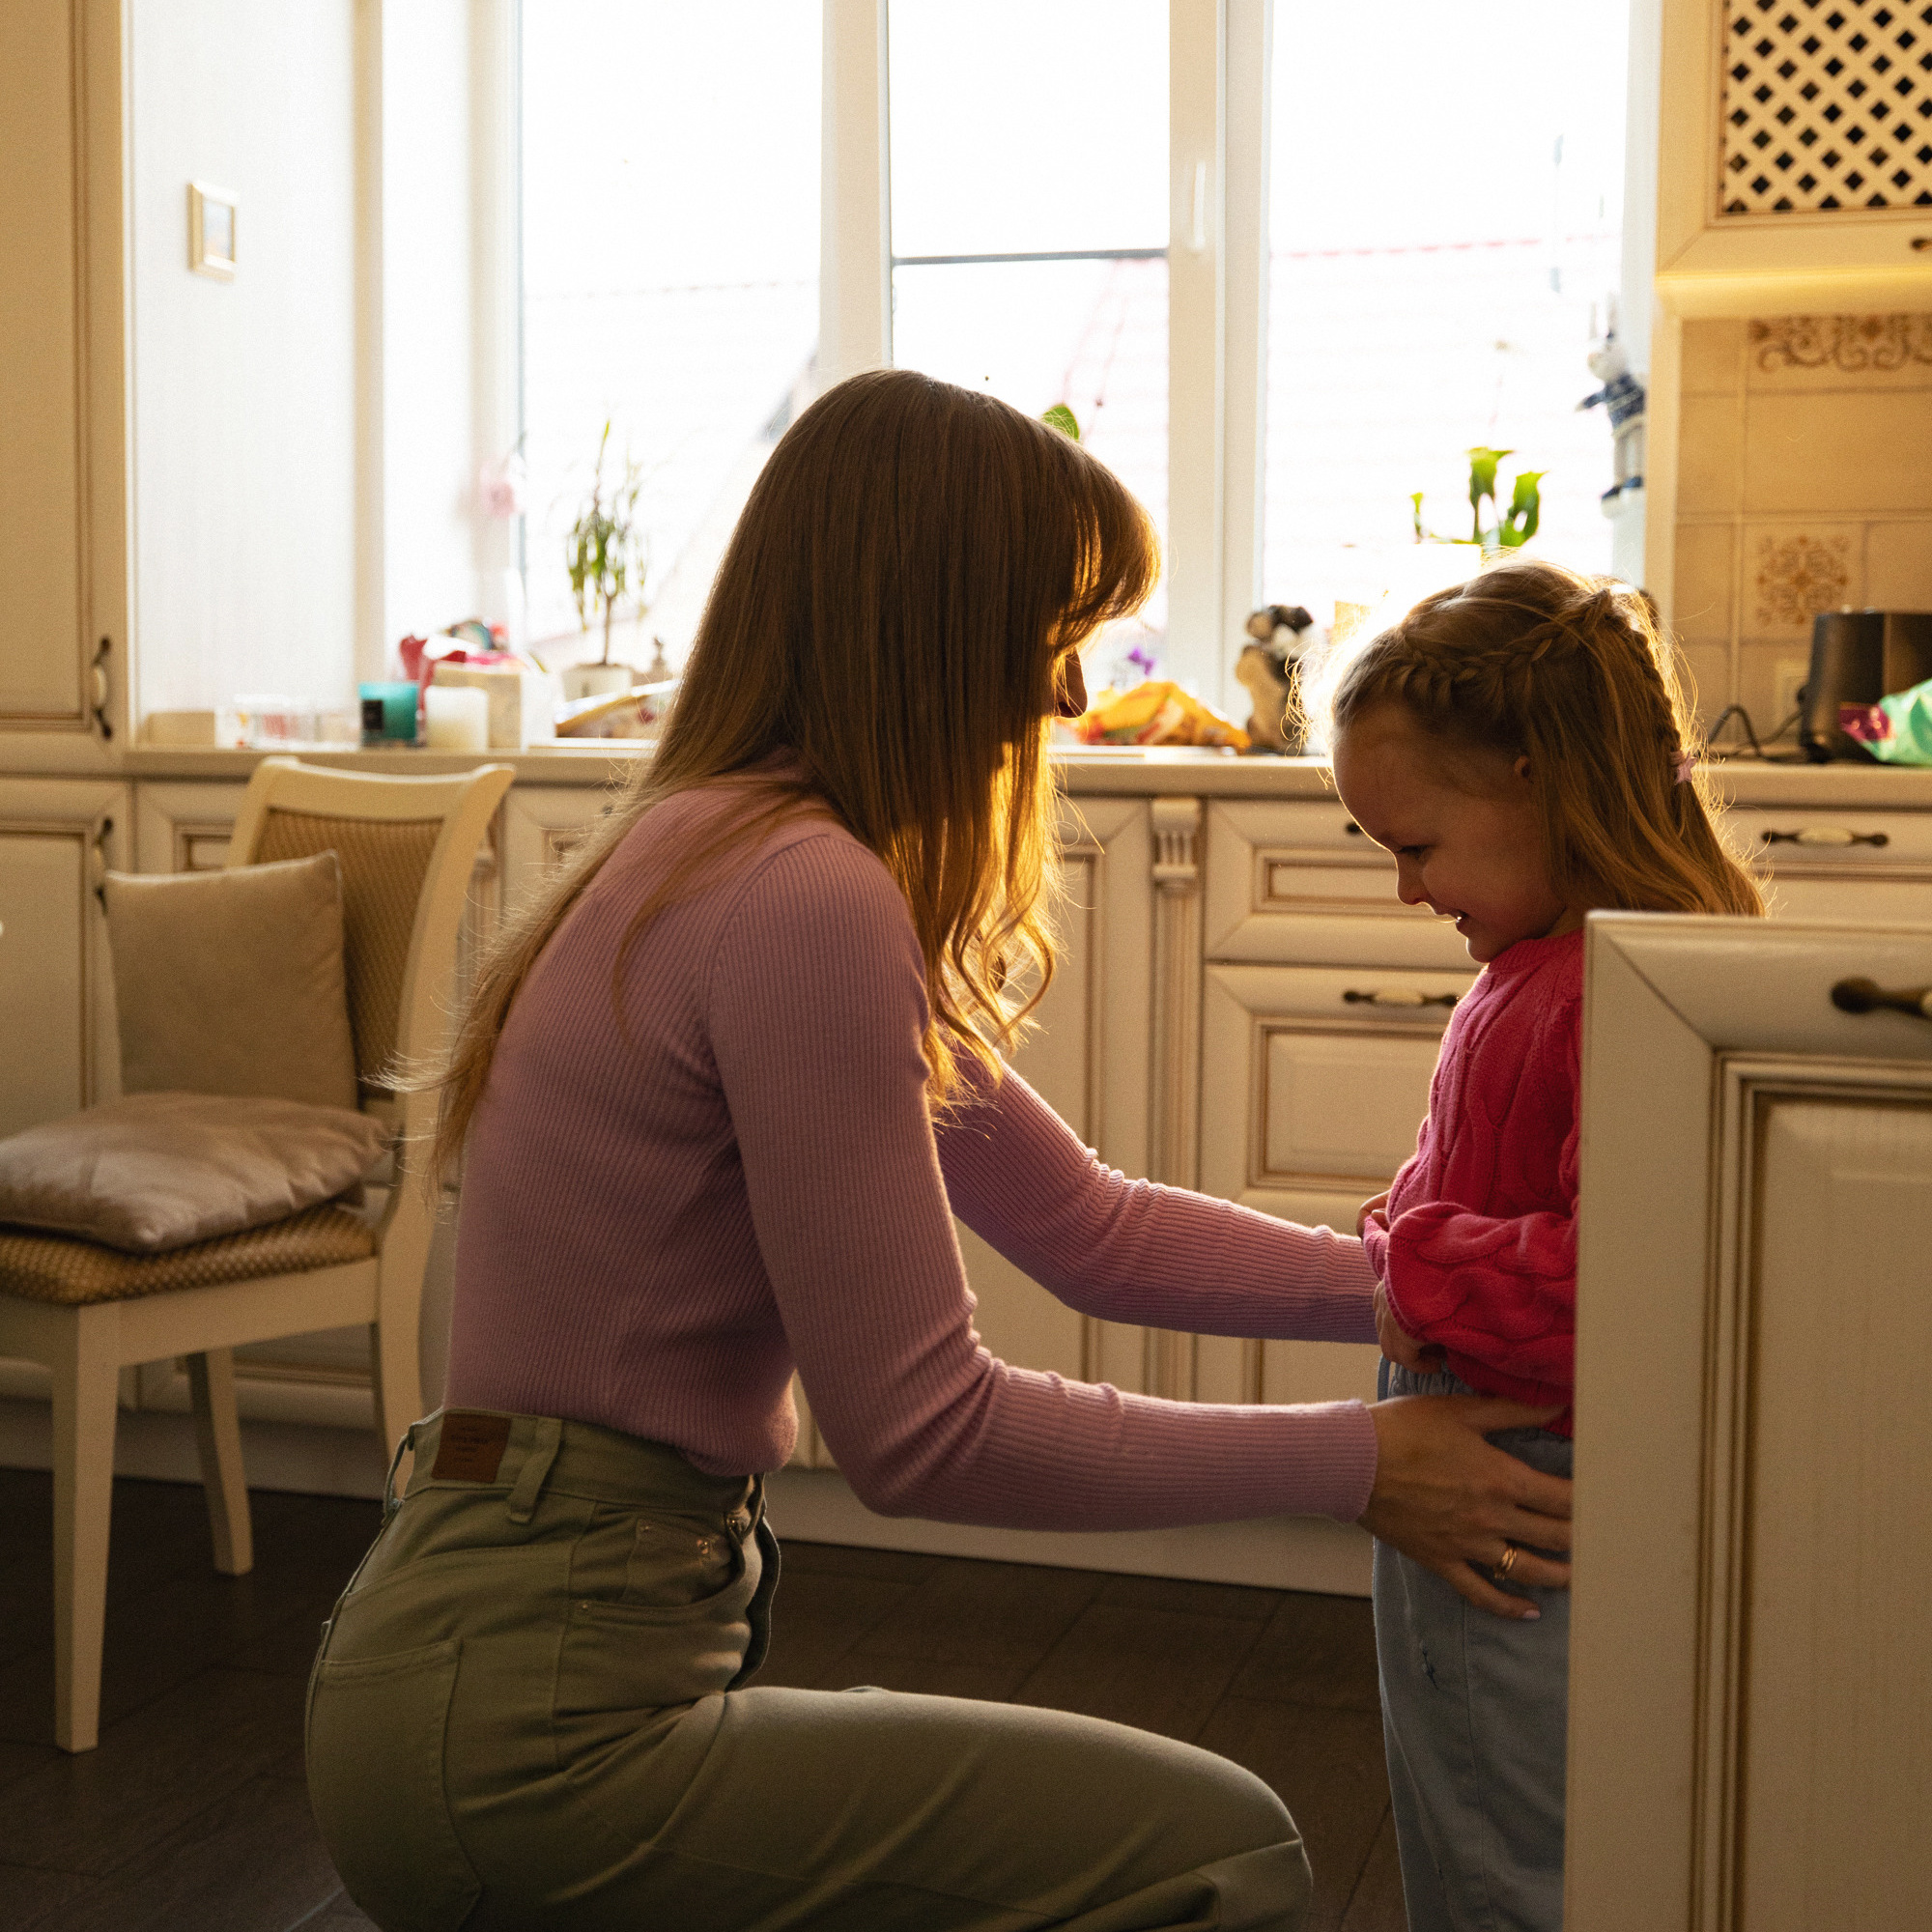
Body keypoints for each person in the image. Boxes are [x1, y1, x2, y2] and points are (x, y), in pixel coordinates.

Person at [304, 370, 1575, 1932]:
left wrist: (1399, 1295)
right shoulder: (797, 898)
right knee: (1222, 1853)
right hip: (527, 1727)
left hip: (476, 1657)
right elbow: (921, 1433)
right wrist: (1356, 1464)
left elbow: (1087, 1227)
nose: (1066, 697)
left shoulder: (717, 841)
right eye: (1056, 636)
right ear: (928, 623)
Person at [1325, 560, 1765, 1932]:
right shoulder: (1547, 967)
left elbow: (1625, 1279)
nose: (1407, 892)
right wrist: (1415, 1229)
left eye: (1417, 847)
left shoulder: (1605, 992)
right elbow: (1463, 1165)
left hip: (1518, 1494)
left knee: (1502, 1836)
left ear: (1541, 783)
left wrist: (1416, 1268)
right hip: (1512, 1465)